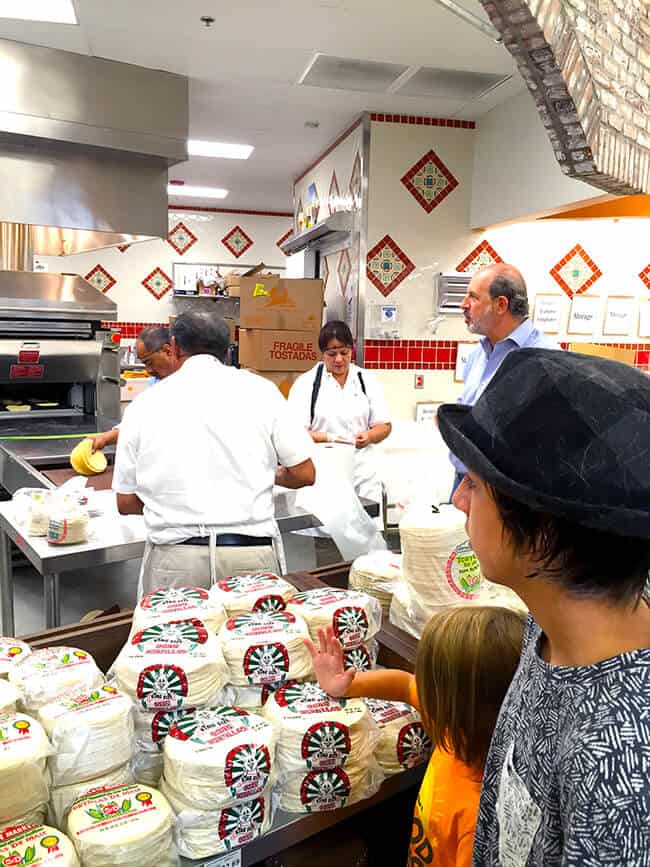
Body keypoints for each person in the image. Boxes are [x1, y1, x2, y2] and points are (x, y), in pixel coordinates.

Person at [437, 347, 650, 866]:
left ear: (544, 531)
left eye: (476, 484)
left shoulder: (618, 757)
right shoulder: (550, 627)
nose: (459, 499)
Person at [113, 310, 315, 597]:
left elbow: (125, 502)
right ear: (228, 348)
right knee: (251, 641)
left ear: (175, 346)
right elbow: (304, 473)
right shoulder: (262, 391)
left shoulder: (143, 405)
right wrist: (261, 475)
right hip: (250, 555)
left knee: (179, 641)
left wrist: (173, 502)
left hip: (176, 559)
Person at [305, 607, 525, 866]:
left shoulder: (479, 818)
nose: (420, 686)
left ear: (455, 703)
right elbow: (404, 684)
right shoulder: (456, 731)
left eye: (430, 683)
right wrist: (346, 684)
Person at [450, 263, 556, 496]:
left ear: (501, 305)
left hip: (506, 495)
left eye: (473, 297)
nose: (463, 305)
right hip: (464, 482)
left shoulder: (545, 359)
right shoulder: (478, 355)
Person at [288, 320, 391, 505]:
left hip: (363, 476)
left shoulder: (366, 380)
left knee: (365, 528)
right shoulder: (306, 385)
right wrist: (329, 438)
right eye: (332, 353)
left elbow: (384, 426)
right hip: (323, 474)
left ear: (351, 350)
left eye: (344, 353)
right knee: (326, 529)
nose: (339, 359)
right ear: (322, 353)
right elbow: (293, 434)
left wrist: (369, 436)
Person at [88, 325, 177, 452]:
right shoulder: (155, 383)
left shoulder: (193, 383)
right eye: (144, 364)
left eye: (149, 362)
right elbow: (138, 424)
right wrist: (104, 439)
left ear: (168, 351)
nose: (148, 370)